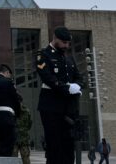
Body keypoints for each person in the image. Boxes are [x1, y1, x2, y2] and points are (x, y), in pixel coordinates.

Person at [35, 26, 83, 164]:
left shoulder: (69, 59)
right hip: (51, 106)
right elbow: (48, 78)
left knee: (68, 146)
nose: (66, 46)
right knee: (54, 146)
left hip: (68, 108)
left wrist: (78, 85)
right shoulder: (43, 55)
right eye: (64, 42)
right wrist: (67, 88)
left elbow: (79, 77)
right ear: (55, 38)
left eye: (68, 43)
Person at [0, 64, 21, 157]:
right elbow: (16, 100)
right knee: (9, 143)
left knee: (1, 144)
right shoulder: (8, 83)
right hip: (7, 117)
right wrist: (18, 114)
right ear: (6, 72)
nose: (10, 77)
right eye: (9, 74)